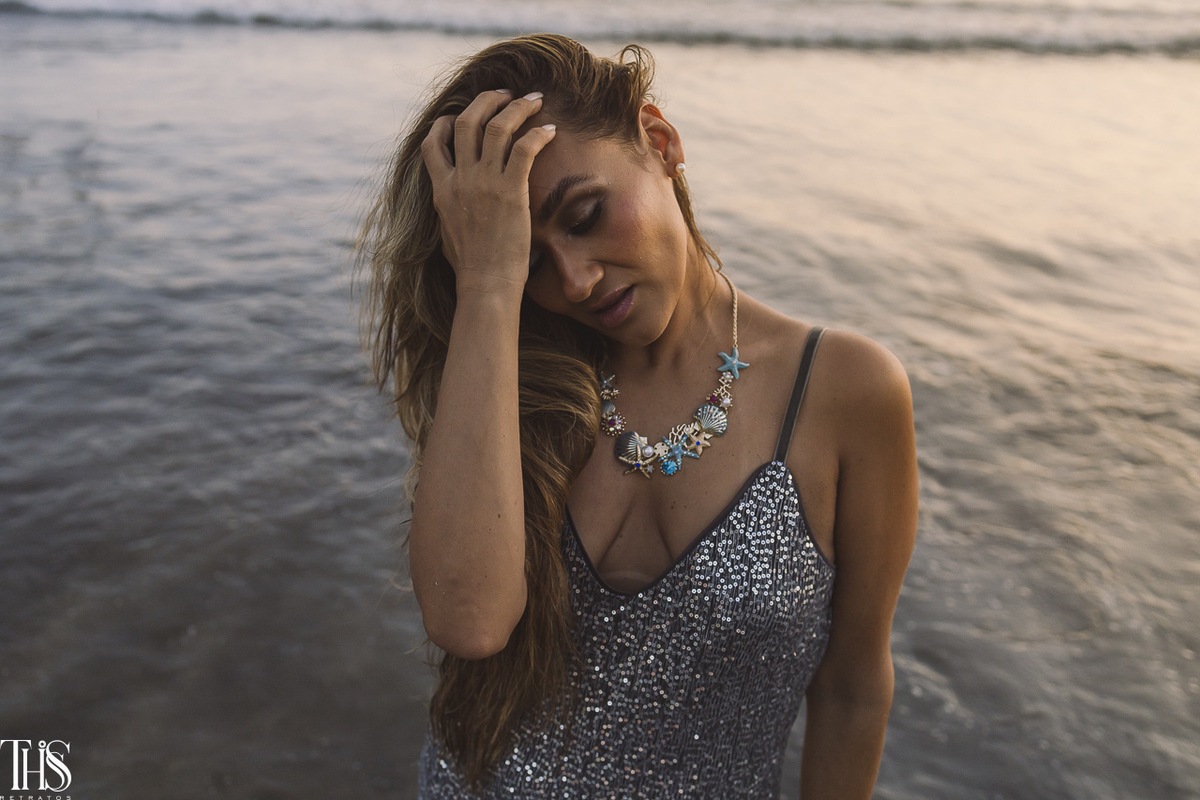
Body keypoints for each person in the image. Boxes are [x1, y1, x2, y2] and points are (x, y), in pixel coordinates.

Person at [356, 33, 918, 800]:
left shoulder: (846, 391)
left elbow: (853, 687)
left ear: (659, 141)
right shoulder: (518, 382)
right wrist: (490, 285)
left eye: (584, 215)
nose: (576, 281)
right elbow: (470, 621)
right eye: (531, 261)